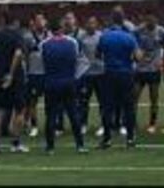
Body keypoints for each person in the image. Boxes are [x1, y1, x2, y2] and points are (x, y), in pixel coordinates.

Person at [39, 18, 88, 154]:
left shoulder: (43, 44)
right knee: (73, 114)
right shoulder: (72, 42)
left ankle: (50, 147)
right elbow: (83, 62)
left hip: (51, 82)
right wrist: (75, 77)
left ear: (50, 30)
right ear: (61, 28)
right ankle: (80, 145)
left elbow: (42, 63)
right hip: (68, 82)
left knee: (51, 115)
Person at [96, 7, 141, 149]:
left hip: (109, 73)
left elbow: (98, 54)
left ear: (111, 19)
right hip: (126, 73)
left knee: (107, 107)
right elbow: (138, 57)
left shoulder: (105, 36)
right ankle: (130, 138)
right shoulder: (129, 37)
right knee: (128, 107)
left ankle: (107, 138)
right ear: (123, 20)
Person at [0, 13, 29, 153]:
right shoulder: (17, 36)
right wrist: (11, 74)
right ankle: (15, 143)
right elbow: (18, 54)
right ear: (15, 22)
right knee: (20, 109)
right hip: (15, 77)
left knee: (1, 109)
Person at [133, 14, 164, 134]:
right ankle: (132, 122)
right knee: (134, 96)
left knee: (154, 97)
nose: (151, 22)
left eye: (153, 20)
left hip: (154, 69)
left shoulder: (162, 31)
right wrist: (136, 52)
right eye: (148, 20)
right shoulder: (138, 30)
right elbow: (132, 41)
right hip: (140, 68)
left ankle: (152, 123)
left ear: (156, 20)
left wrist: (163, 59)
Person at [76, 16, 105, 137]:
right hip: (86, 74)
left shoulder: (102, 36)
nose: (90, 25)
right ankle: (83, 124)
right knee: (83, 101)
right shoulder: (80, 37)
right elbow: (78, 54)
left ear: (97, 24)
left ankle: (103, 125)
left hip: (100, 73)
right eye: (88, 23)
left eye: (93, 23)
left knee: (102, 101)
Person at [23, 13, 49, 138]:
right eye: (38, 20)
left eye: (42, 20)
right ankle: (34, 126)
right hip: (33, 73)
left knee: (50, 101)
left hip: (47, 73)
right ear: (34, 22)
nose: (40, 22)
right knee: (32, 102)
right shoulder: (28, 37)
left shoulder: (50, 36)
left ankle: (51, 125)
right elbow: (24, 55)